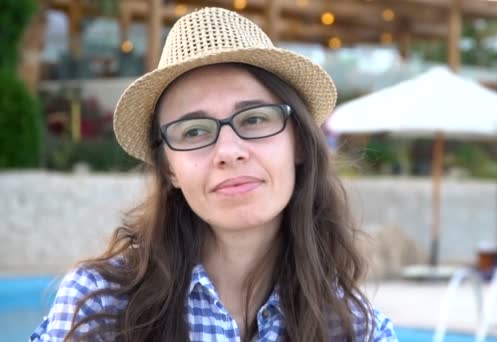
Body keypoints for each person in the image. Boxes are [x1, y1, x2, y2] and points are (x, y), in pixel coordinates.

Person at [31, 7, 397, 342]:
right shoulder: (99, 308)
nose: (228, 152)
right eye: (194, 131)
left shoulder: (356, 328)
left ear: (299, 142)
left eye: (254, 119)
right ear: (168, 168)